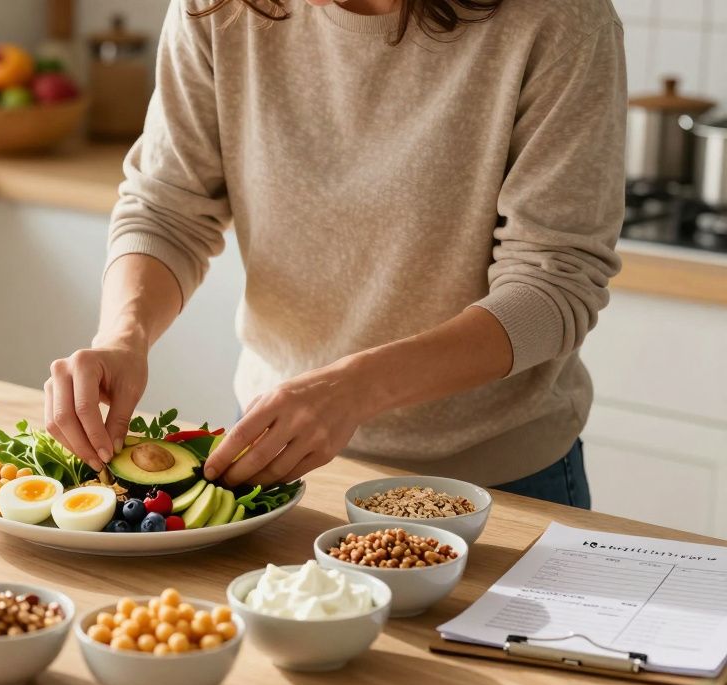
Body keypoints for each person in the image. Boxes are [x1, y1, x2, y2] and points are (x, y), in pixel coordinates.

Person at [43, 0, 625, 508]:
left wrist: (355, 388)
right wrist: (124, 337)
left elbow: (554, 284)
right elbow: (167, 208)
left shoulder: (559, 18)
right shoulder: (219, 7)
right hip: (280, 464)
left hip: (498, 481)